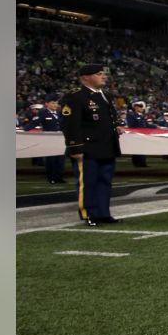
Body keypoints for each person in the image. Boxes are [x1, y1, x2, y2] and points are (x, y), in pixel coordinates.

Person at [59, 64, 125, 226]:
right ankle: (89, 213)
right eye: (99, 74)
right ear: (85, 77)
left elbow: (108, 116)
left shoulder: (106, 95)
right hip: (87, 148)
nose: (103, 76)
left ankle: (104, 213)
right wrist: (75, 147)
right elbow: (70, 124)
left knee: (105, 181)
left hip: (107, 146)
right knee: (87, 182)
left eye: (103, 74)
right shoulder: (75, 97)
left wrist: (116, 125)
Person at [26, 94, 66, 184]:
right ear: (47, 104)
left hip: (60, 140)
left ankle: (59, 177)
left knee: (60, 159)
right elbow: (33, 123)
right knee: (50, 160)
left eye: (56, 103)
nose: (55, 105)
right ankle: (51, 178)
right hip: (49, 140)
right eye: (53, 103)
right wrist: (24, 130)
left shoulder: (60, 113)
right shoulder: (43, 113)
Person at [126, 100, 149, 167]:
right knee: (136, 150)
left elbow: (146, 125)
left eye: (142, 107)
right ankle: (136, 163)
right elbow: (131, 125)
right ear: (136, 107)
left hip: (142, 135)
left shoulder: (142, 116)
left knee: (143, 149)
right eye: (140, 106)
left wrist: (157, 126)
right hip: (135, 135)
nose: (142, 108)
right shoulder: (132, 115)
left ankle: (143, 163)